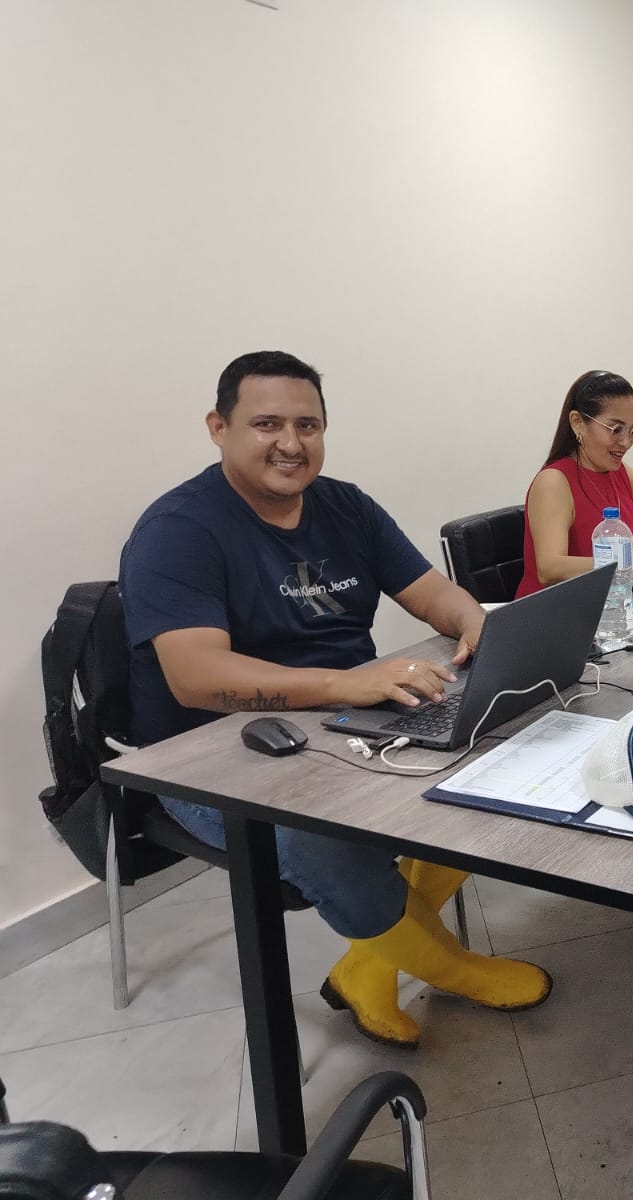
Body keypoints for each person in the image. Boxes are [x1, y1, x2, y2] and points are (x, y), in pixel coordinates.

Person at [120, 350, 553, 1051]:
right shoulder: (179, 530)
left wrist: (474, 621)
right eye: (266, 424)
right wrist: (344, 684)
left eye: (307, 425)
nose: (290, 443)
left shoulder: (345, 505)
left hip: (346, 720)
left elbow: (431, 592)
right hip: (210, 756)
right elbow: (195, 677)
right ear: (218, 428)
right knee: (324, 841)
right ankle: (453, 968)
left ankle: (366, 970)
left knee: (490, 767)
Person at [517, 370, 633, 596]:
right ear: (578, 423)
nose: (626, 442)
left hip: (615, 600)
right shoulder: (554, 481)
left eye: (632, 431)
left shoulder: (620, 472)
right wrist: (628, 559)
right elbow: (549, 568)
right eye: (616, 429)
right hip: (556, 609)